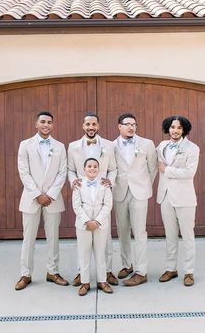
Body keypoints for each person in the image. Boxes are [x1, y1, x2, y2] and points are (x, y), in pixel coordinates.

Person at [15, 111, 68, 290]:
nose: (46, 125)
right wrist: (37, 194)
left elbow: (63, 172)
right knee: (28, 238)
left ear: (53, 125)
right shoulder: (25, 145)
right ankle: (25, 274)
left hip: (53, 199)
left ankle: (52, 271)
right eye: (43, 122)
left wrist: (50, 194)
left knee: (53, 238)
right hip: (31, 198)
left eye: (49, 122)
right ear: (36, 124)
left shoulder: (60, 146)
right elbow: (24, 172)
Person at [68, 112, 118, 286]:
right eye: (88, 124)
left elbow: (113, 169)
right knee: (83, 245)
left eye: (94, 124)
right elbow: (70, 169)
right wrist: (74, 182)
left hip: (102, 194)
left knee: (105, 239)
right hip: (83, 194)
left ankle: (107, 271)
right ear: (83, 126)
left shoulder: (109, 145)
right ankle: (82, 274)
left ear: (98, 126)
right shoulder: (73, 146)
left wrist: (109, 182)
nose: (91, 127)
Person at [113, 113, 157, 286]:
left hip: (140, 193)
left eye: (134, 124)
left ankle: (141, 271)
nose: (131, 127)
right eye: (127, 124)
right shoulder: (111, 146)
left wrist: (144, 185)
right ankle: (126, 265)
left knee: (140, 232)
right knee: (122, 231)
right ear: (119, 126)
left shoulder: (147, 144)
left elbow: (152, 168)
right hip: (120, 192)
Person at [157, 115, 200, 287]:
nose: (175, 130)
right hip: (165, 196)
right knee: (170, 235)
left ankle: (189, 272)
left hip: (185, 198)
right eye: (172, 127)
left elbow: (189, 173)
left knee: (188, 236)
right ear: (168, 128)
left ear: (184, 130)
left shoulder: (192, 148)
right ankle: (171, 269)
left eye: (179, 128)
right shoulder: (161, 146)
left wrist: (167, 170)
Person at [72, 158, 113, 296]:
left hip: (100, 224)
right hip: (83, 225)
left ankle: (102, 281)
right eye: (89, 166)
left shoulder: (104, 184)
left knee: (101, 253)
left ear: (98, 169)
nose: (92, 168)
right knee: (84, 253)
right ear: (84, 169)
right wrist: (87, 221)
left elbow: (108, 205)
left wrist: (98, 221)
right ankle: (85, 282)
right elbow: (76, 206)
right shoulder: (78, 184)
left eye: (95, 166)